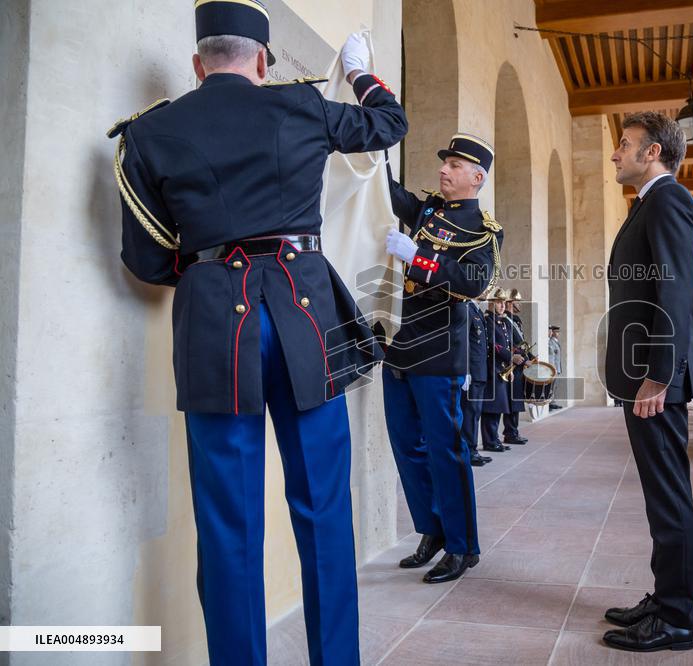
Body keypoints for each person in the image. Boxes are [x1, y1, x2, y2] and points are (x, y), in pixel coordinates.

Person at [110, 2, 407, 661]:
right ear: (263, 60)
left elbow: (146, 258)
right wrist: (360, 73)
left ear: (198, 64)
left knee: (227, 525)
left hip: (215, 320)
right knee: (324, 509)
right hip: (305, 316)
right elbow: (391, 124)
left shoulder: (151, 132)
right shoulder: (302, 108)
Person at [383, 133, 502, 584]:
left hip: (438, 352)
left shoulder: (483, 231)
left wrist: (419, 257)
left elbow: (472, 284)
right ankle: (431, 530)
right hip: (400, 342)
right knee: (407, 447)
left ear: (476, 177)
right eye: (444, 162)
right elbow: (390, 194)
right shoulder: (429, 209)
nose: (443, 170)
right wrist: (378, 149)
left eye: (454, 165)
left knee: (446, 451)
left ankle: (461, 546)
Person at [603, 111, 693, 652]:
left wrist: (659, 376)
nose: (615, 153)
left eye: (625, 144)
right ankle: (666, 598)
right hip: (644, 376)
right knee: (660, 493)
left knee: (669, 497)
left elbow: (677, 291)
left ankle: (677, 618)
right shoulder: (648, 203)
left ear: (652, 153)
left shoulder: (668, 200)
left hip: (653, 381)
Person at [481, 289, 515, 453]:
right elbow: (493, 345)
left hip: (502, 369)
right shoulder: (488, 321)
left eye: (503, 303)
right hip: (491, 368)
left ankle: (494, 439)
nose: (502, 306)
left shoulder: (501, 322)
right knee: (491, 407)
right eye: (499, 302)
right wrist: (511, 356)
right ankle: (489, 441)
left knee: (499, 406)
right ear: (491, 303)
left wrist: (510, 367)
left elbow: (507, 344)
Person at [463, 299, 493, 466]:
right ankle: (468, 451)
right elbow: (464, 342)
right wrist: (465, 370)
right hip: (472, 371)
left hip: (480, 370)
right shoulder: (467, 308)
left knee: (475, 412)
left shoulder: (477, 311)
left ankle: (472, 449)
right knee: (469, 412)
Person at [503, 289, 531, 444]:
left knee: (517, 400)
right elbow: (509, 344)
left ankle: (514, 431)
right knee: (512, 400)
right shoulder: (505, 319)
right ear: (510, 303)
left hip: (520, 364)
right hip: (512, 365)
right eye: (517, 301)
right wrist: (520, 358)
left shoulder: (516, 319)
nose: (519, 304)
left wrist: (530, 358)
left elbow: (522, 342)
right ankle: (510, 432)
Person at [548, 324, 563, 410]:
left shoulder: (555, 342)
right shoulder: (550, 342)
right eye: (555, 332)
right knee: (550, 386)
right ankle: (550, 403)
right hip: (552, 367)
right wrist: (552, 368)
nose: (557, 333)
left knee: (554, 386)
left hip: (556, 367)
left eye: (558, 332)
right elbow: (551, 357)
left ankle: (552, 402)